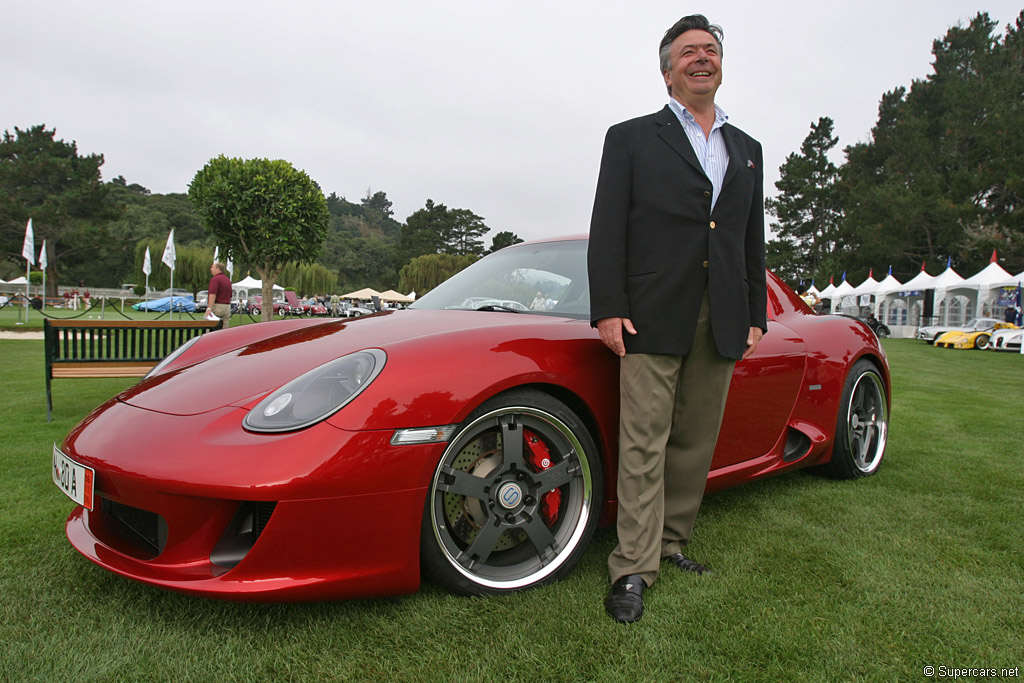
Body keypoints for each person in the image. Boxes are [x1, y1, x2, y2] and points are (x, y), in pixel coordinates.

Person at [587, 14, 767, 623]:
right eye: (688, 52)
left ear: (720, 66)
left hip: (722, 315)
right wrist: (609, 306)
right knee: (643, 442)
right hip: (648, 315)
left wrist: (754, 310)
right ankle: (634, 569)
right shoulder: (631, 138)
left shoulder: (746, 151)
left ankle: (672, 543)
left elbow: (748, 239)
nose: (701, 59)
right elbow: (608, 228)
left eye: (710, 51)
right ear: (668, 73)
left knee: (693, 442)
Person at [206, 262, 232, 327]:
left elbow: (212, 294)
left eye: (212, 267)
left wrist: (209, 308)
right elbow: (230, 294)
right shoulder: (227, 280)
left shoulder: (215, 279)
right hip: (227, 307)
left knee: (210, 328)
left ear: (218, 269)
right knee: (225, 330)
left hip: (217, 306)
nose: (211, 269)